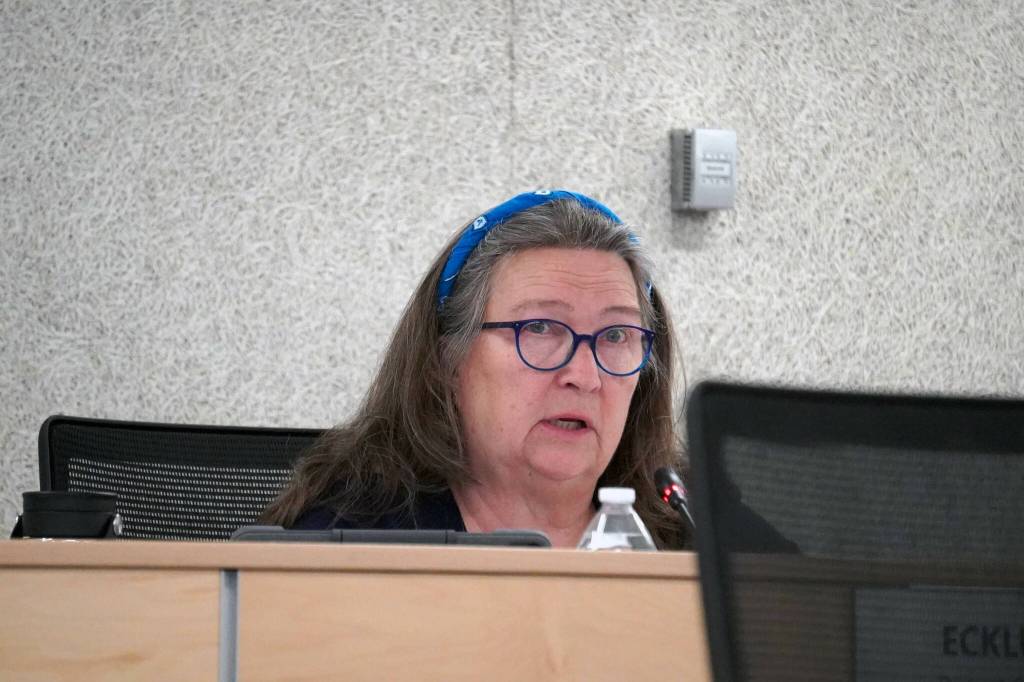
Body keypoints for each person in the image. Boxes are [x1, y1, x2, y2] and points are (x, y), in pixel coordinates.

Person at [260, 189, 688, 548]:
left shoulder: (697, 535)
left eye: (615, 335)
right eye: (539, 328)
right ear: (447, 361)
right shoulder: (347, 547)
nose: (585, 375)